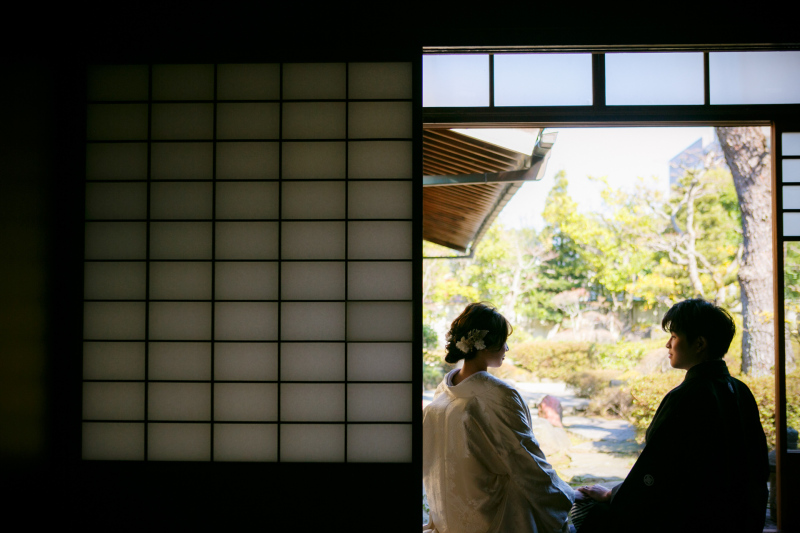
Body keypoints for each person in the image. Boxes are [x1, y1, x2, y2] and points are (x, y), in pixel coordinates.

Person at [572, 299, 769, 533]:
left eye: (674, 336)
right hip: (737, 517)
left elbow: (656, 470)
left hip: (691, 520)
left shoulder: (687, 396)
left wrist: (612, 494)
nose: (668, 344)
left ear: (699, 343)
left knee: (585, 513)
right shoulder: (740, 390)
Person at [423, 302, 574, 533]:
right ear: (486, 344)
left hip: (449, 515)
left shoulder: (443, 392)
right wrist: (567, 495)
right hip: (492, 518)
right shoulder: (498, 395)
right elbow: (526, 461)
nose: (507, 348)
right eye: (503, 341)